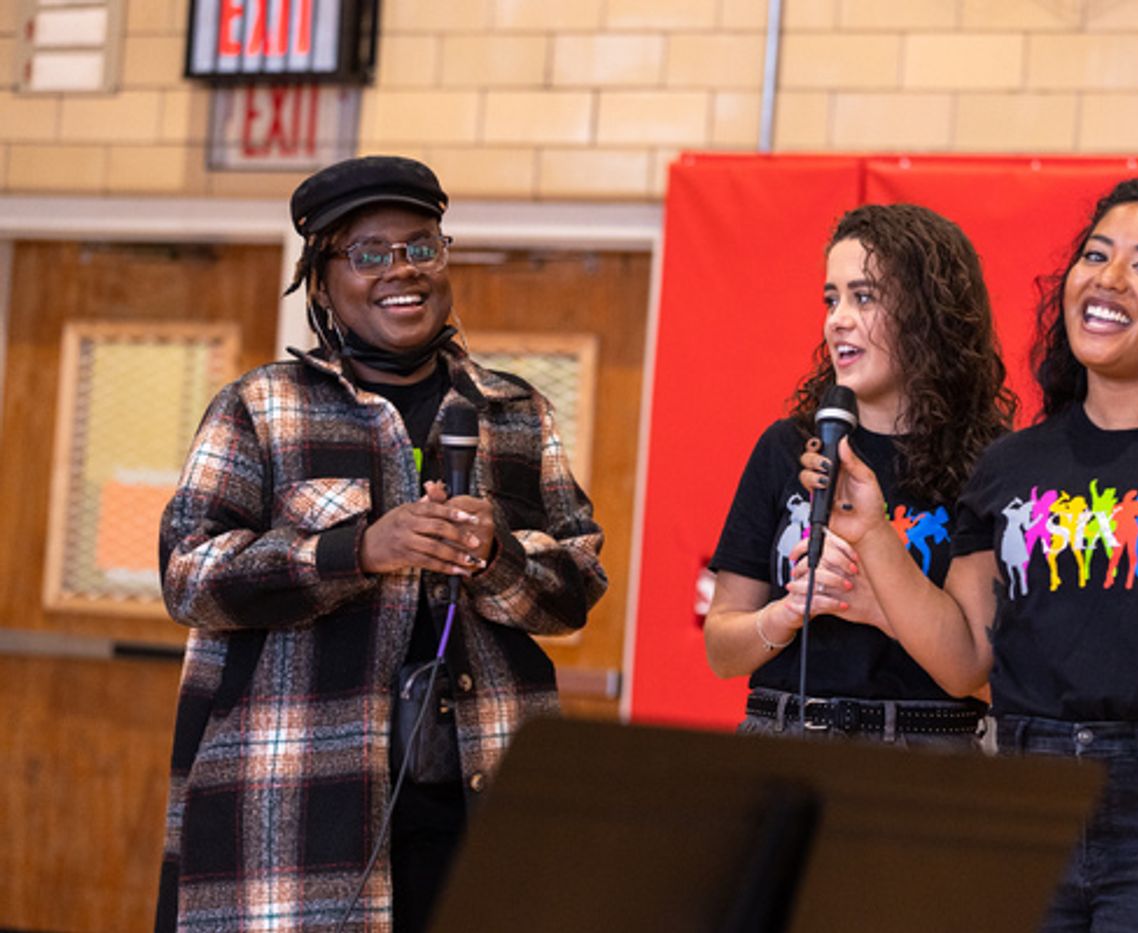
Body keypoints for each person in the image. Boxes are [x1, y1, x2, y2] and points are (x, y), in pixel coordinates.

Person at [804, 179, 1138, 932]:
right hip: (1027, 793)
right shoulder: (1009, 465)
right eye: (1096, 255)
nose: (1109, 278)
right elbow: (963, 660)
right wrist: (871, 533)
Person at [155, 155, 607, 932]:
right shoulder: (262, 408)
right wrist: (355, 550)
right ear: (322, 283)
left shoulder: (514, 412)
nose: (402, 269)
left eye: (421, 245)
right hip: (302, 823)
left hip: (480, 808)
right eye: (369, 253)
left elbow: (577, 587)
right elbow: (188, 575)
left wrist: (499, 556)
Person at [703, 203, 1016, 747]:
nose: (837, 318)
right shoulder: (787, 447)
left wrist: (878, 601)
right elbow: (721, 649)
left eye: (863, 297)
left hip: (925, 748)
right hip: (782, 732)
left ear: (927, 313)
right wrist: (786, 614)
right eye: (832, 298)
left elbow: (978, 674)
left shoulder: (992, 463)